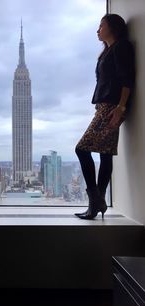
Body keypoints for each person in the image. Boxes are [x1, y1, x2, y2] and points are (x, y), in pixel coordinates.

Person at [74, 13, 135, 220]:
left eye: (101, 25)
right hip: (104, 105)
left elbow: (127, 79)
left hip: (112, 106)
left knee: (81, 149)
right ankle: (97, 204)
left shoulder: (121, 47)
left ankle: (96, 200)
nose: (97, 30)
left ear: (113, 27)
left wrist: (120, 107)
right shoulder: (107, 52)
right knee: (105, 153)